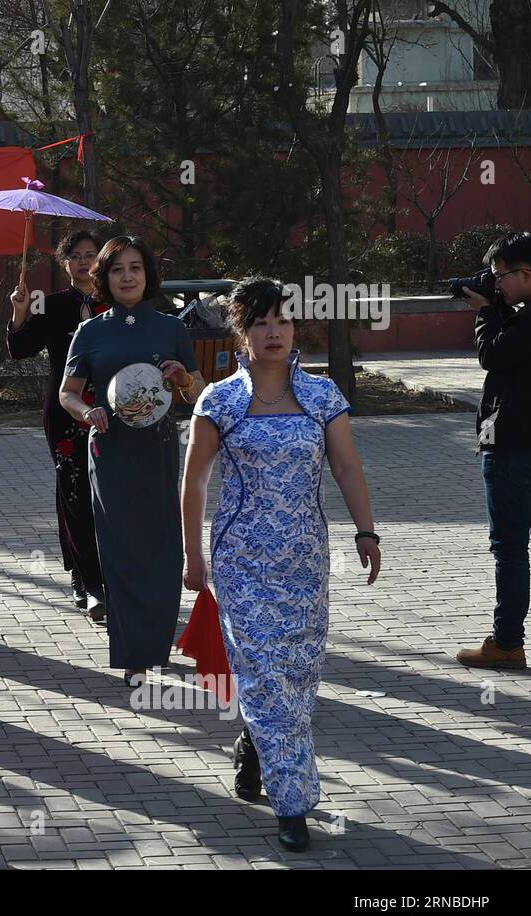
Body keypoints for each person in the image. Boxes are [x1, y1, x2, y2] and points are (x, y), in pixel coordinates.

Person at [181, 276, 381, 853]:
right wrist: (193, 555)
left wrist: (365, 531)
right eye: (262, 323)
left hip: (305, 560)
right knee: (266, 673)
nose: (275, 333)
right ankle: (292, 803)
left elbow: (346, 467)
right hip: (241, 560)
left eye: (283, 321)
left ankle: (252, 741)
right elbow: (195, 483)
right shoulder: (218, 400)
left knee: (295, 674)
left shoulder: (322, 397)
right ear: (243, 332)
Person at [58, 236, 205, 684]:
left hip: (158, 453)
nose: (127, 276)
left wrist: (183, 380)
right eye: (118, 268)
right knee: (120, 552)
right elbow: (66, 393)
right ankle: (132, 655)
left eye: (135, 268)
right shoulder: (91, 331)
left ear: (148, 275)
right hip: (110, 453)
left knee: (160, 550)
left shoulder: (170, 329)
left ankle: (156, 645)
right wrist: (88, 412)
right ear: (104, 276)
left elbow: (200, 392)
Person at [8, 230, 108, 619]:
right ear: (64, 262)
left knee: (106, 493)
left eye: (91, 255)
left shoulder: (114, 303)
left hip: (111, 408)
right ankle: (86, 580)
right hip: (65, 412)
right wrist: (19, 312)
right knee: (73, 490)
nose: (84, 262)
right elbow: (20, 350)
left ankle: (104, 574)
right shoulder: (51, 305)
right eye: (76, 256)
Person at [458, 231, 531, 669]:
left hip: (511, 446)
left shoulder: (528, 319)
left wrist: (486, 313)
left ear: (526, 273)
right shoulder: (526, 313)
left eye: (500, 276)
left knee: (509, 548)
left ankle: (507, 643)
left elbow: (492, 355)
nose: (497, 284)